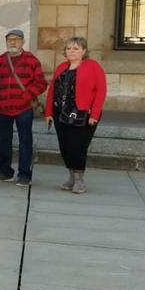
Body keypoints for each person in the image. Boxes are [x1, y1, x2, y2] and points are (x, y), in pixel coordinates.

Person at [46, 37, 106, 194]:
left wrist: (95, 114)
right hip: (61, 113)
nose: (71, 51)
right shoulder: (61, 67)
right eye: (68, 48)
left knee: (77, 147)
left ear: (84, 51)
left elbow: (101, 91)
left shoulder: (93, 66)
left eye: (76, 48)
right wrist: (49, 113)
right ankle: (71, 177)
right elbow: (52, 91)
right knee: (64, 146)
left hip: (83, 113)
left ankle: (79, 180)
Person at [0, 29, 47, 187]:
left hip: (23, 108)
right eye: (9, 39)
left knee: (25, 141)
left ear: (23, 41)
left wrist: (27, 95)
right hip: (3, 108)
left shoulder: (31, 60)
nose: (12, 42)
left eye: (16, 39)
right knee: (3, 141)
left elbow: (41, 83)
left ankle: (24, 174)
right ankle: (5, 172)